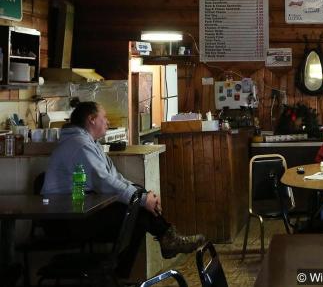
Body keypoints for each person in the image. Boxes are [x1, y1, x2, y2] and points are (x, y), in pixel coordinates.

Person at [41, 101, 205, 273]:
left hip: (80, 212)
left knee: (137, 202)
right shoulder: (79, 145)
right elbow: (104, 182)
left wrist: (141, 194)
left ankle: (160, 242)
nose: (108, 122)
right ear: (92, 119)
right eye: (104, 117)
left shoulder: (89, 143)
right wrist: (142, 200)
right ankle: (125, 266)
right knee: (137, 211)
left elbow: (114, 177)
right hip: (66, 221)